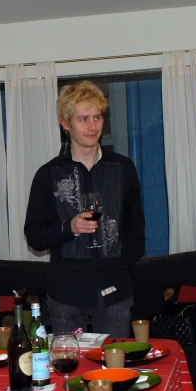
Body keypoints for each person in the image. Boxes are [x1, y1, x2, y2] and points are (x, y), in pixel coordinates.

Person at [24, 81, 145, 337]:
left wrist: (121, 266)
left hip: (115, 291)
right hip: (66, 294)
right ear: (65, 123)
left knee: (114, 370)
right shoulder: (47, 174)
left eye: (97, 117)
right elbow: (34, 235)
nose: (93, 127)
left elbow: (137, 228)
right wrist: (69, 228)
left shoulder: (124, 168)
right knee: (70, 371)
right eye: (83, 119)